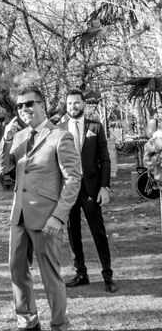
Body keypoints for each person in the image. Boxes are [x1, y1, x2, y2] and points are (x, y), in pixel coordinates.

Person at [0, 84, 81, 331]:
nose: (23, 109)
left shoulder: (60, 136)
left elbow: (73, 179)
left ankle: (59, 324)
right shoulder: (19, 137)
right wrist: (7, 137)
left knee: (50, 276)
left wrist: (58, 216)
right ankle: (28, 320)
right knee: (17, 270)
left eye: (29, 104)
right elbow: (2, 168)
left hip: (46, 219)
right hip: (18, 216)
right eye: (19, 106)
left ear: (41, 105)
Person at [60, 89, 117, 293]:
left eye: (76, 103)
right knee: (72, 232)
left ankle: (107, 274)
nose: (73, 107)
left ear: (83, 104)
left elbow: (105, 160)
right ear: (65, 106)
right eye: (69, 104)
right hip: (68, 189)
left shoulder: (95, 126)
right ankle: (81, 273)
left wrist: (104, 187)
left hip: (91, 188)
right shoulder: (58, 128)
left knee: (98, 232)